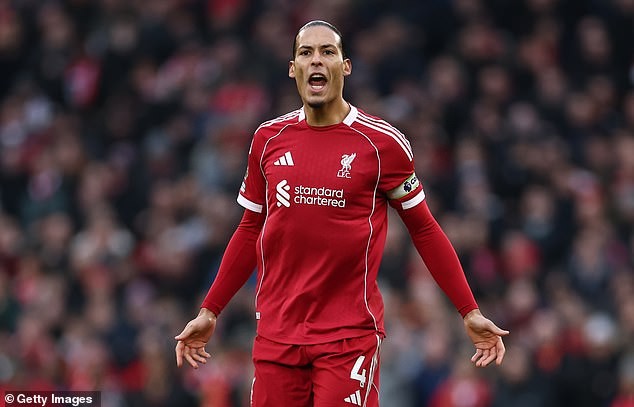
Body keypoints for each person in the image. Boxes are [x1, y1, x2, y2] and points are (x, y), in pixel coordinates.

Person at [175, 20, 509, 406]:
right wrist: (210, 310)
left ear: (345, 66)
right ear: (293, 69)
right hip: (276, 336)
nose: (316, 60)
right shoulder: (267, 139)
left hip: (348, 338)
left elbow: (424, 229)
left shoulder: (382, 144)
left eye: (327, 52)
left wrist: (468, 310)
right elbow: (251, 228)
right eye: (306, 53)